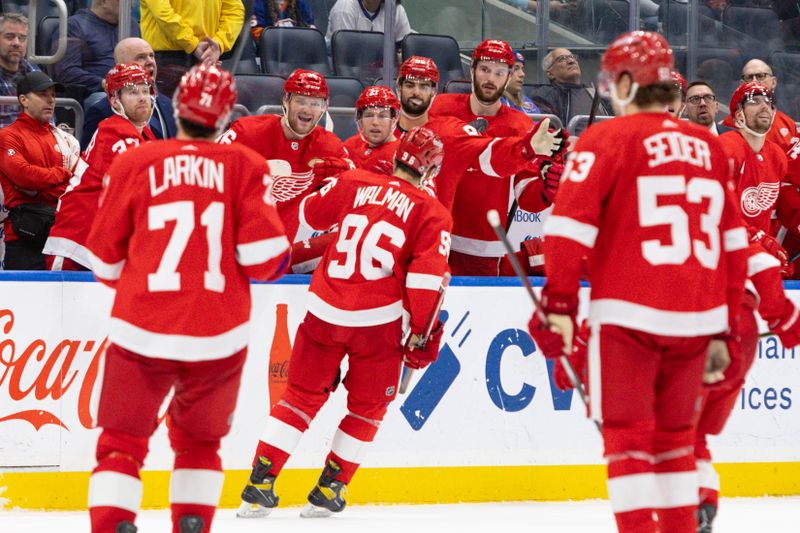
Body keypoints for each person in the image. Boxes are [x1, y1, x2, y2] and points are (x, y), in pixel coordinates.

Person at [528, 31, 748, 533]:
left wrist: (559, 307)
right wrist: (723, 327)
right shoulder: (709, 148)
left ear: (625, 81)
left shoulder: (605, 139)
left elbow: (565, 230)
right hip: (696, 323)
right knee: (675, 442)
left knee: (627, 441)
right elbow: (734, 248)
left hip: (627, 316)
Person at [85, 64, 290, 533]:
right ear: (225, 117)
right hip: (219, 338)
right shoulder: (245, 166)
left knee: (120, 443)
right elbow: (267, 261)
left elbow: (104, 265)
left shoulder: (135, 162)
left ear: (175, 106)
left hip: (139, 332)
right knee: (199, 446)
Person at [237, 126, 451, 519]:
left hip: (323, 310)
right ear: (430, 170)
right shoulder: (431, 210)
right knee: (368, 407)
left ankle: (259, 484)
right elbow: (425, 279)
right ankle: (329, 488)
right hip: (377, 323)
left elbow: (309, 214)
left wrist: (332, 182)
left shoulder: (354, 181)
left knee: (299, 396)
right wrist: (423, 332)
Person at [429, 39, 561, 276]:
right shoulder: (440, 108)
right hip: (431, 237)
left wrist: (546, 186)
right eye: (485, 70)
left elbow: (526, 195)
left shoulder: (520, 125)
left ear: (509, 77)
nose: (490, 79)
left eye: (499, 72)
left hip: (482, 249)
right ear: (472, 70)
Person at [395, 55, 566, 214]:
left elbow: (489, 155)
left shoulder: (452, 130)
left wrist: (526, 149)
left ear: (434, 91)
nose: (416, 92)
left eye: (424, 86)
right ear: (398, 87)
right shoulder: (379, 133)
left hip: (438, 233)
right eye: (410, 85)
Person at [44, 64, 156, 271]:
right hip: (76, 247)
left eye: (145, 90)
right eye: (132, 91)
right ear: (114, 100)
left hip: (101, 250)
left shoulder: (145, 135)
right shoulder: (113, 131)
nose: (142, 97)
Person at [217, 68, 349, 242]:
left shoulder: (331, 146)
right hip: (240, 245)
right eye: (301, 101)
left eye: (315, 103)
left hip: (293, 253)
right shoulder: (246, 132)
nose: (308, 110)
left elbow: (353, 193)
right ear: (286, 100)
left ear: (324, 107)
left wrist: (345, 178)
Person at [0, 71, 79, 270]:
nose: (51, 100)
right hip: (23, 238)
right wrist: (62, 174)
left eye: (53, 94)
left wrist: (40, 188)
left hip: (59, 234)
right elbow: (24, 177)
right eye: (43, 94)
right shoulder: (7, 136)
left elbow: (77, 185)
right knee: (21, 301)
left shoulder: (64, 138)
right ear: (23, 100)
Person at [718, 82, 791, 274]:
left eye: (769, 101)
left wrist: (772, 249)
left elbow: (768, 216)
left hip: (753, 256)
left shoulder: (778, 157)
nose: (764, 106)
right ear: (738, 113)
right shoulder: (725, 148)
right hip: (722, 255)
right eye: (754, 101)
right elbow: (717, 213)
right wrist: (760, 240)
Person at [81, 37, 177, 149]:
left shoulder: (168, 105)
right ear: (121, 66)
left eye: (152, 56)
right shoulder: (101, 111)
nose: (150, 62)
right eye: (141, 57)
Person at [140, 0, 244, 96]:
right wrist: (194, 44)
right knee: (165, 112)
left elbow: (235, 11)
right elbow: (162, 12)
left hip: (205, 57)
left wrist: (219, 42)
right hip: (170, 59)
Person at [50, 0, 125, 99]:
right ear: (103, 2)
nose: (131, 5)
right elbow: (67, 72)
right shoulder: (74, 27)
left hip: (133, 88)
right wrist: (104, 83)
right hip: (95, 93)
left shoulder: (130, 25)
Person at [535, 47, 612, 128]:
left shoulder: (597, 93)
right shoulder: (544, 96)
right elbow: (550, 131)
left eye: (572, 57)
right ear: (550, 73)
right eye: (562, 59)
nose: (571, 61)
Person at [739, 59, 798, 152]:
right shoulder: (728, 124)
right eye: (749, 77)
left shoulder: (788, 124)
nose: (754, 82)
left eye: (760, 76)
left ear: (773, 82)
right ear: (741, 84)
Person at [343, 85, 400, 173]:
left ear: (393, 121)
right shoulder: (349, 147)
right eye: (369, 115)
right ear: (360, 120)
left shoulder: (401, 154)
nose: (375, 122)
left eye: (382, 116)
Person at [0, 13, 40, 128]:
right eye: (9, 37)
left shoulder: (32, 71)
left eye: (22, 38)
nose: (17, 43)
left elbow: (47, 116)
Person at [325, 0, 412, 44]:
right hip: (345, 73)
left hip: (381, 73)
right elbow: (345, 56)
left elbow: (405, 49)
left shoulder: (396, 9)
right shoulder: (345, 8)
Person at [251, 0, 315, 43]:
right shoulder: (258, 2)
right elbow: (255, 31)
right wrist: (274, 31)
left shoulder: (299, 2)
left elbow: (311, 29)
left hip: (297, 45)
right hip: (269, 50)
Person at [500, 49, 541, 115]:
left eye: (522, 69)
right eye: (516, 69)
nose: (522, 74)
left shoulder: (527, 101)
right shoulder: (494, 102)